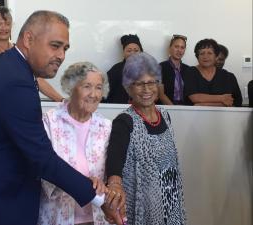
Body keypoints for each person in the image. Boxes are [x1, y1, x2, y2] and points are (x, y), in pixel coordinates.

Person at [0, 10, 123, 225]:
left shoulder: (7, 66)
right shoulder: (15, 81)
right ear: (28, 39)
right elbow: (42, 158)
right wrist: (100, 198)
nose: (61, 55)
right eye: (55, 45)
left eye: (65, 48)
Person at [105, 52, 186, 225]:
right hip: (143, 205)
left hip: (170, 198)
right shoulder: (124, 122)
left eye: (151, 82)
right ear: (129, 88)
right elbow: (114, 165)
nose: (146, 89)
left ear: (158, 84)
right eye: (139, 84)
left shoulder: (164, 115)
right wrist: (114, 186)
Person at [38, 62, 117, 225]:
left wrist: (109, 187)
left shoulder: (106, 126)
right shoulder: (50, 122)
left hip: (97, 218)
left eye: (98, 87)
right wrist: (82, 183)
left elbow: (112, 172)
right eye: (87, 86)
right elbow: (40, 169)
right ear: (71, 87)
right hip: (58, 216)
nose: (94, 94)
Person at [183, 38, 242, 106]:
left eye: (210, 53)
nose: (205, 56)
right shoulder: (190, 72)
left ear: (216, 56)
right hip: (194, 116)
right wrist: (222, 99)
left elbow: (234, 102)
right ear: (197, 57)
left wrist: (202, 105)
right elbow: (195, 98)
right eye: (202, 53)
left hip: (223, 116)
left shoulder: (228, 76)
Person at [104, 34, 143, 104]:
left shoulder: (147, 70)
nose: (132, 53)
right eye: (129, 50)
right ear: (124, 52)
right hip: (118, 109)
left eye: (136, 50)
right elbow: (104, 92)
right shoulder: (115, 70)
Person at [160, 34, 189, 105]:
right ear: (170, 48)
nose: (179, 50)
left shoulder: (188, 69)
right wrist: (174, 109)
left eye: (182, 48)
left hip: (186, 109)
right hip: (167, 107)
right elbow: (161, 94)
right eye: (176, 46)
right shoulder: (160, 67)